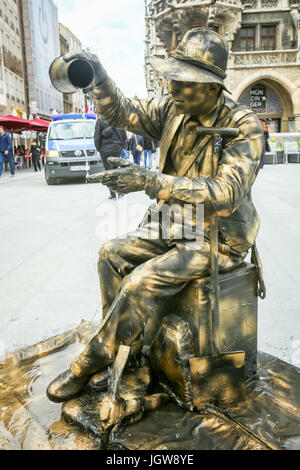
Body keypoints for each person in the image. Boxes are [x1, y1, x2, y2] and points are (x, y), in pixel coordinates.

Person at [47, 28, 264, 403]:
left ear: (212, 88)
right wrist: (99, 77)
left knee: (139, 282)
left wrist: (151, 181)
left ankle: (92, 360)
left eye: (183, 82)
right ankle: (125, 352)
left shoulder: (244, 126)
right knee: (110, 254)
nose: (172, 88)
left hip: (218, 239)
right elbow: (121, 112)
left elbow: (226, 194)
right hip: (174, 223)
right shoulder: (173, 110)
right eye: (172, 80)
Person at [94, 117, 127, 200]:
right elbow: (124, 135)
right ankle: (119, 192)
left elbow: (97, 137)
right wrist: (121, 146)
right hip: (117, 149)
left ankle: (113, 195)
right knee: (116, 170)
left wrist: (98, 148)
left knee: (108, 172)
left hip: (105, 150)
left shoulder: (101, 121)